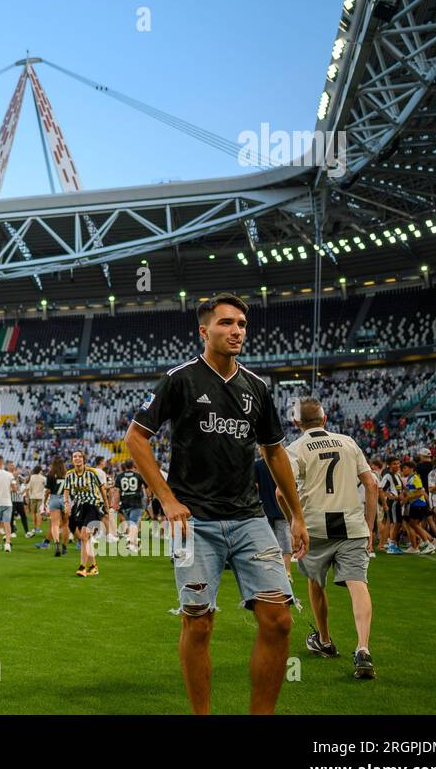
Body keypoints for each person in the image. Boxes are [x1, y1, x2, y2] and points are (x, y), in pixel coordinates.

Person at [124, 293, 307, 715]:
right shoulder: (180, 379)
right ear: (204, 331)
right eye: (226, 323)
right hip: (195, 523)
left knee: (279, 620)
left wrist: (296, 515)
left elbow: (275, 452)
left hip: (249, 518)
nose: (236, 331)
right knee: (199, 622)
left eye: (241, 323)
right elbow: (135, 438)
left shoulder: (256, 387)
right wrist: (167, 500)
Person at [282, 398, 379, 679]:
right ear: (325, 420)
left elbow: (280, 493)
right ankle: (363, 647)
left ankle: (324, 640)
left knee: (315, 582)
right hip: (351, 524)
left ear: (297, 423)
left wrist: (293, 522)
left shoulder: (296, 448)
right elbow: (371, 484)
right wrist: (370, 526)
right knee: (358, 583)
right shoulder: (348, 442)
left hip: (315, 525)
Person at [62, 449, 107, 576]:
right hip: (79, 507)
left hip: (93, 506)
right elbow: (66, 491)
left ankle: (82, 567)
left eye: (79, 456)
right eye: (74, 456)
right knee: (85, 538)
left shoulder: (92, 472)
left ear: (84, 459)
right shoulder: (69, 474)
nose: (77, 458)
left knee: (84, 535)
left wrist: (107, 507)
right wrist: (66, 504)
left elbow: (102, 490)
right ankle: (94, 566)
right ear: (72, 460)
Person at [41, 457, 70, 555]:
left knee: (54, 524)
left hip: (54, 499)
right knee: (65, 524)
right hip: (65, 499)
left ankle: (57, 544)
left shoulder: (50, 475)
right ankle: (64, 547)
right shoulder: (68, 475)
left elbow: (48, 491)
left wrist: (44, 502)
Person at [115, 460, 146, 552]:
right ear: (133, 465)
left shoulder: (119, 476)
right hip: (136, 501)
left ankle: (133, 543)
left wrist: (116, 503)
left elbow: (117, 491)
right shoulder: (138, 475)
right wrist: (150, 498)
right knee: (133, 523)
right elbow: (147, 488)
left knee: (131, 524)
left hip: (124, 502)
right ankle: (132, 544)